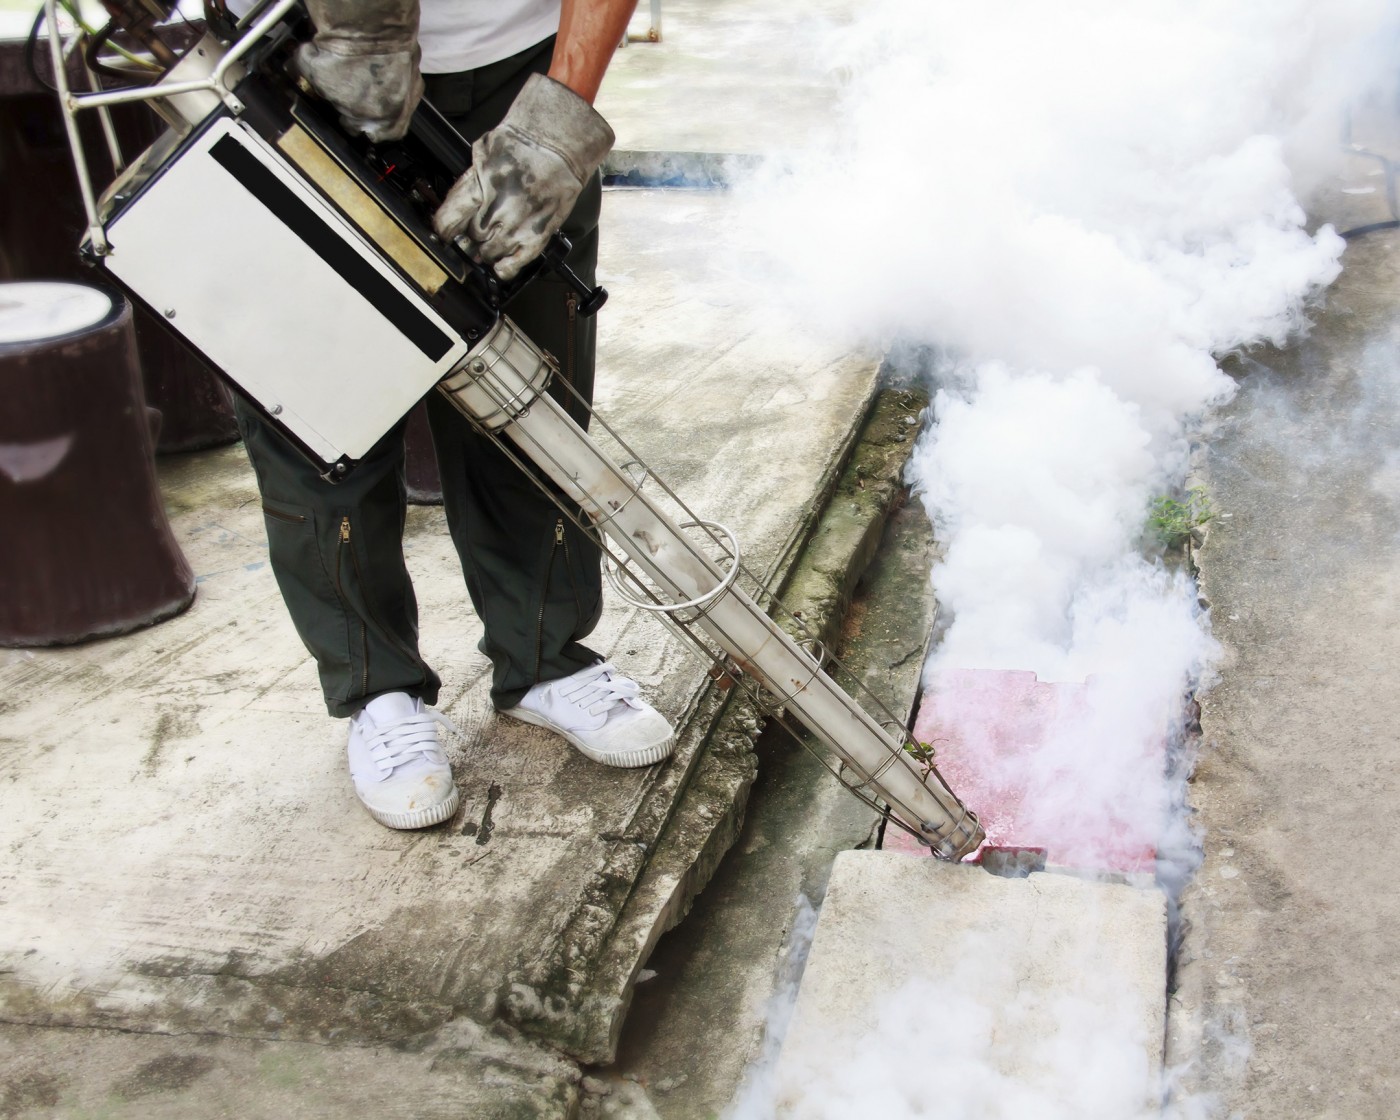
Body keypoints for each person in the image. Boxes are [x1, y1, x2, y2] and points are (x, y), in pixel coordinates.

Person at [235, 0, 674, 830]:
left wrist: (558, 120)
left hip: (520, 67)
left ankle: (544, 655)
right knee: (319, 398)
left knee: (528, 389)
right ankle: (378, 690)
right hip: (302, 53)